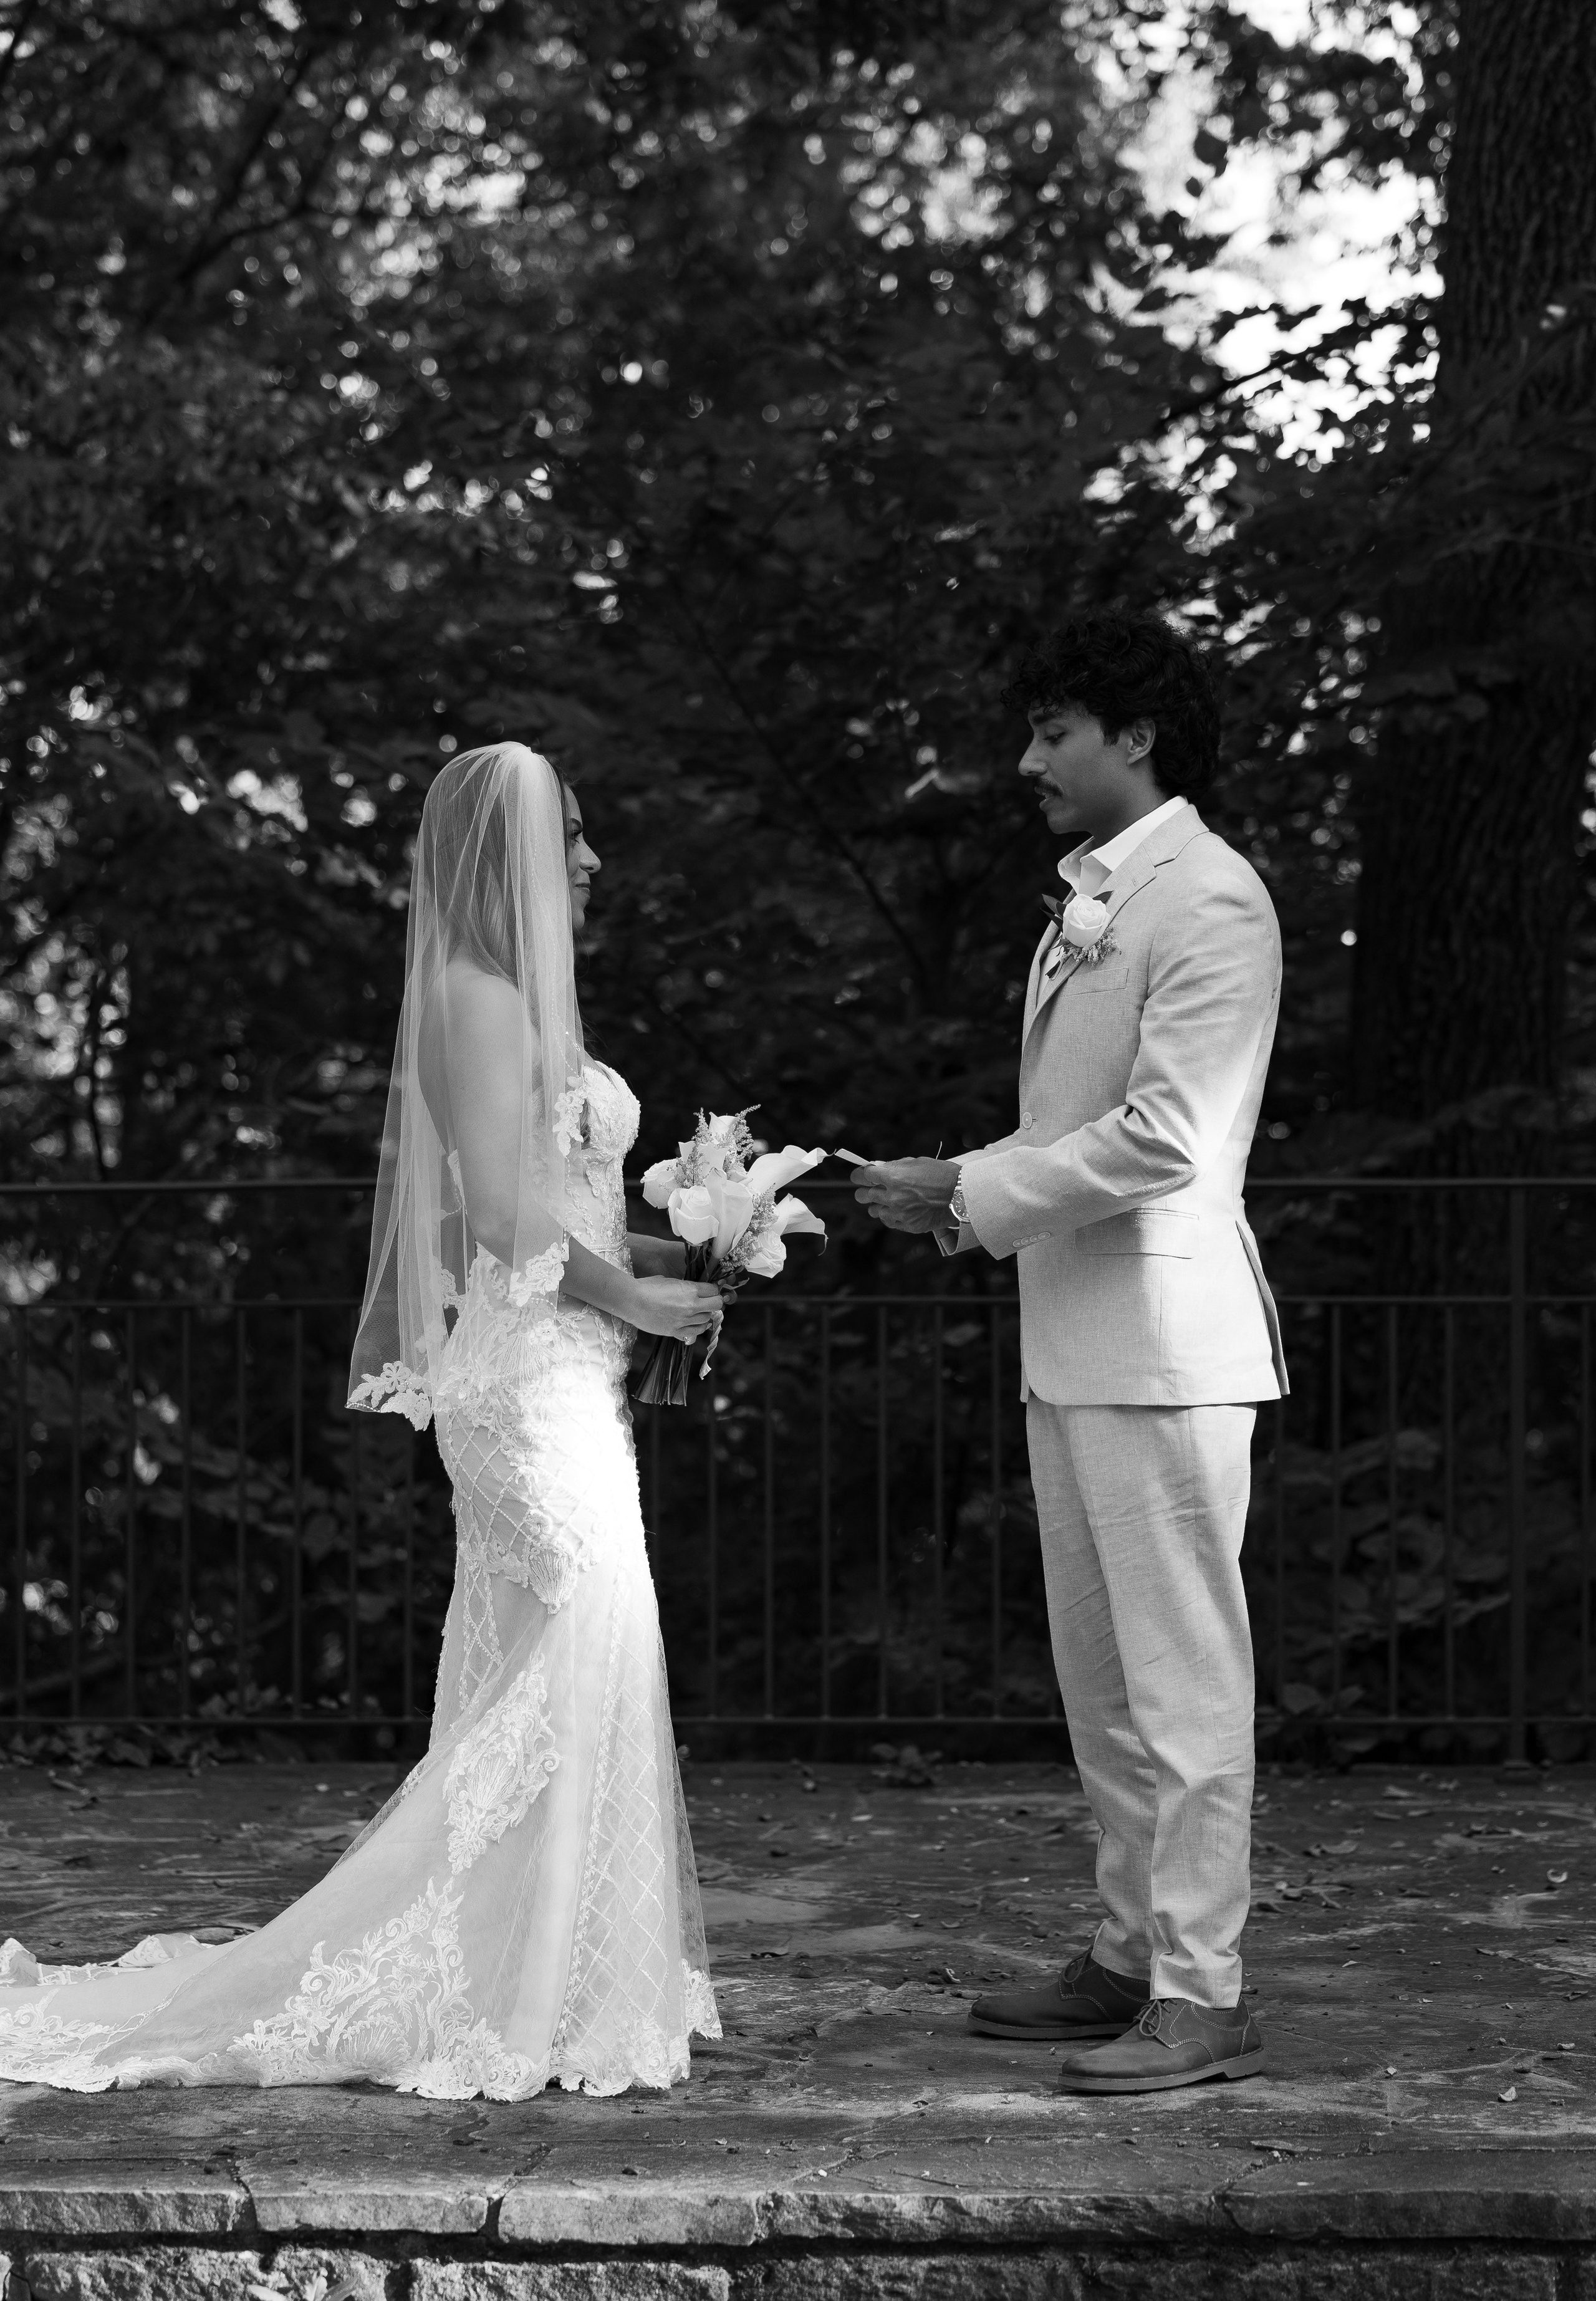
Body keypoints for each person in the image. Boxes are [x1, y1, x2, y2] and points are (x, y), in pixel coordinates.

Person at [0, 744, 726, 2098]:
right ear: (504, 856)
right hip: (525, 1389)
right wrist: (646, 1298)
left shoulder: (521, 1002)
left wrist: (699, 1249)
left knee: (588, 1661)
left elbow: (558, 1207)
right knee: (576, 1652)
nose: (587, 860)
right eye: (564, 836)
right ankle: (498, 1980)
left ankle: (562, 1970)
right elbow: (506, 1225)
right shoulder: (472, 1000)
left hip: (573, 1377)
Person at [853, 610, 1287, 2095]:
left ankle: (1203, 1988)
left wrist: (965, 1194)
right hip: (1073, 1342)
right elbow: (1066, 1132)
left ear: (1136, 736)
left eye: (1053, 729)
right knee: (1098, 1683)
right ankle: (1123, 1952)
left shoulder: (1208, 899)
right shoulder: (1094, 898)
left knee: (1179, 1682)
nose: (1027, 758)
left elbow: (1165, 1137)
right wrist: (952, 1177)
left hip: (1166, 1349)